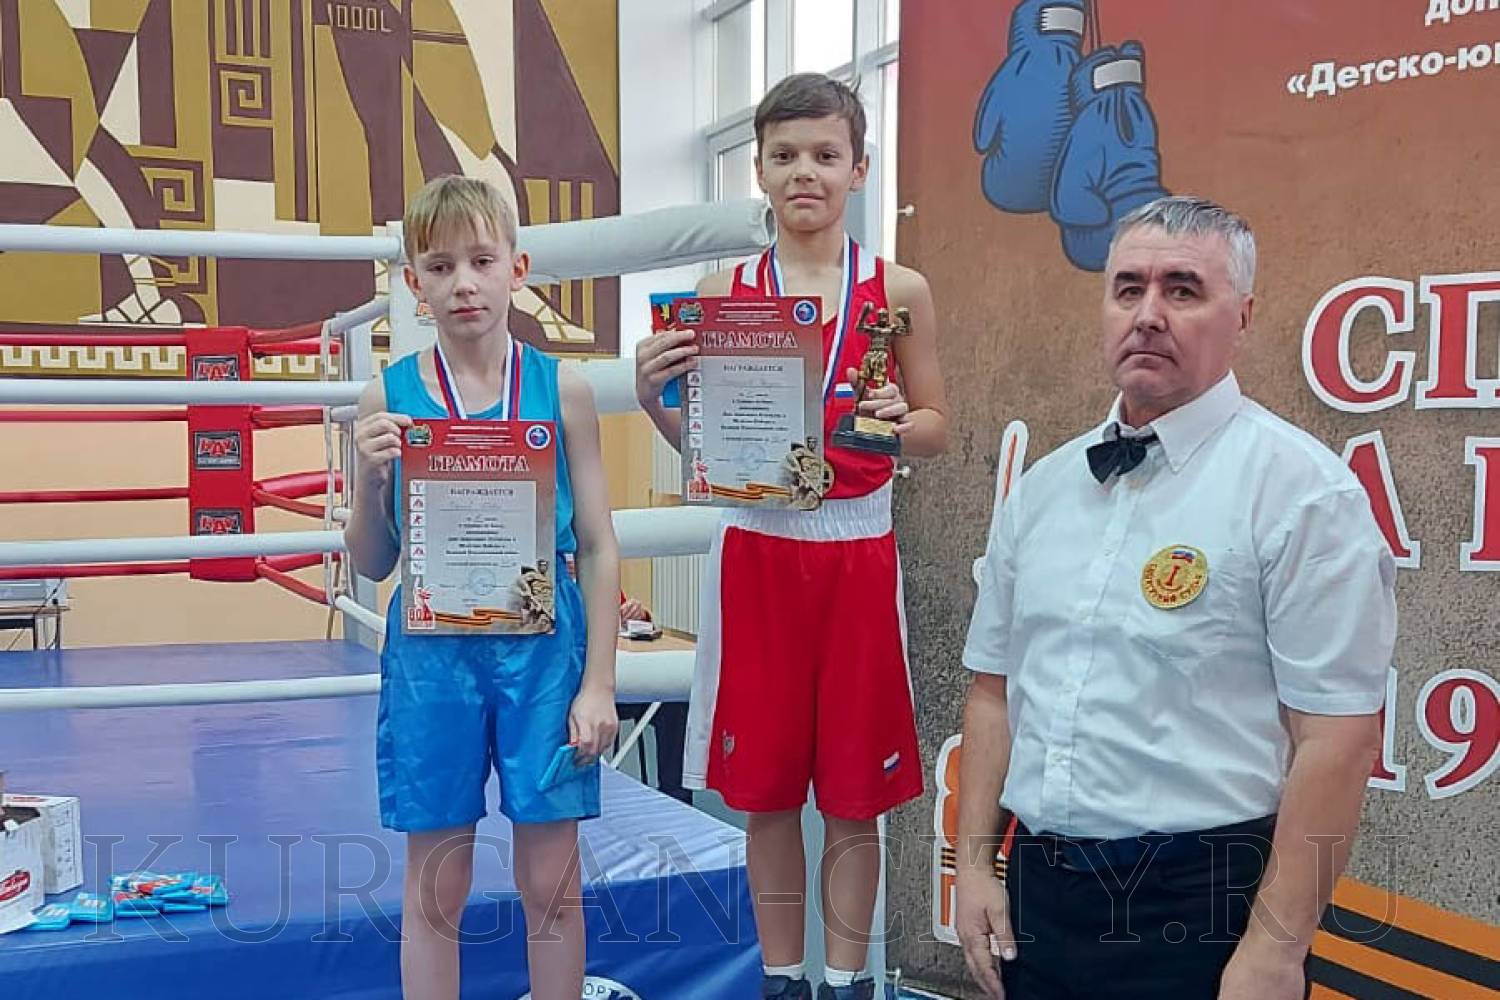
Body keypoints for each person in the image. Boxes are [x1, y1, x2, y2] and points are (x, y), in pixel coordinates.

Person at [954, 196, 1397, 999]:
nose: (1149, 314)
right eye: (1129, 288)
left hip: (1204, 904)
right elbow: (993, 690)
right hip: (1038, 895)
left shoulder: (1304, 496)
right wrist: (975, 866)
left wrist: (1275, 951)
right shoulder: (1043, 490)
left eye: (1183, 290)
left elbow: (1338, 738)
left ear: (1243, 316)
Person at [635, 73, 950, 1000]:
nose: (804, 172)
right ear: (759, 171)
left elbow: (938, 427)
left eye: (824, 154)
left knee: (855, 797)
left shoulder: (898, 289)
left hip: (858, 551)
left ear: (859, 167)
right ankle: (782, 980)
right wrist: (653, 397)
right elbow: (705, 451)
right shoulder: (722, 292)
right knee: (765, 794)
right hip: (756, 551)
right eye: (784, 155)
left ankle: (848, 983)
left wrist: (898, 422)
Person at [344, 175, 620, 1000]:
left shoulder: (562, 388)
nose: (463, 282)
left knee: (552, 882)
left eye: (481, 261)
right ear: (413, 282)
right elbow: (371, 561)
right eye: (440, 266)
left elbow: (598, 543)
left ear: (516, 269)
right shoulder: (385, 396)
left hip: (543, 652)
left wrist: (600, 684)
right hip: (433, 655)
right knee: (436, 887)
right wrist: (368, 480)